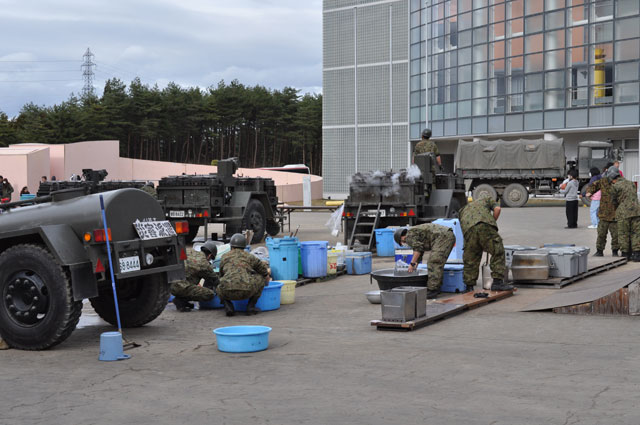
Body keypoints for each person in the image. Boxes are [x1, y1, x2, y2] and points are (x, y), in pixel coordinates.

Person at [459, 194, 513, 291]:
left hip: (468, 230)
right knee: (498, 250)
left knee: (471, 257)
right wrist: (492, 222)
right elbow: (498, 209)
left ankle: (469, 287)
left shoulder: (464, 208)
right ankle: (497, 283)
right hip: (484, 224)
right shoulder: (487, 199)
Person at [394, 224, 456, 298]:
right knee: (436, 262)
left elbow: (418, 250)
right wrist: (416, 263)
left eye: (401, 242)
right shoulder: (413, 233)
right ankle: (436, 287)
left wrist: (412, 264)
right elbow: (420, 249)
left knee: (434, 262)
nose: (403, 243)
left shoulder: (409, 236)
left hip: (443, 237)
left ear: (401, 237)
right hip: (446, 235)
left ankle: (432, 290)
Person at [217, 233, 270, 316]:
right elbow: (263, 271)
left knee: (217, 281)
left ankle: (228, 306)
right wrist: (265, 276)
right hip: (247, 291)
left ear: (231, 246)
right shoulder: (249, 256)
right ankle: (251, 306)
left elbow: (221, 274)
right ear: (244, 246)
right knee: (260, 277)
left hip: (227, 291)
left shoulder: (224, 256)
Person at [170, 241, 219, 311]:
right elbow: (215, 280)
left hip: (170, 286)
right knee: (209, 294)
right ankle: (181, 300)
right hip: (181, 288)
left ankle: (182, 300)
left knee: (192, 277)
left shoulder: (189, 251)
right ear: (209, 255)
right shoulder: (204, 264)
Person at [587, 164, 619, 257]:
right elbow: (593, 186)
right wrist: (589, 192)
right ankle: (599, 251)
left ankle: (615, 251)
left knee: (615, 235)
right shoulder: (603, 181)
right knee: (601, 234)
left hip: (615, 214)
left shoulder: (619, 182)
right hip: (604, 214)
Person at [609, 167, 640, 261]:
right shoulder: (631, 183)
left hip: (623, 213)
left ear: (612, 178)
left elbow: (613, 201)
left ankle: (625, 254)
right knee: (636, 233)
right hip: (636, 211)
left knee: (623, 233)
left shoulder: (615, 186)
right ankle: (636, 254)